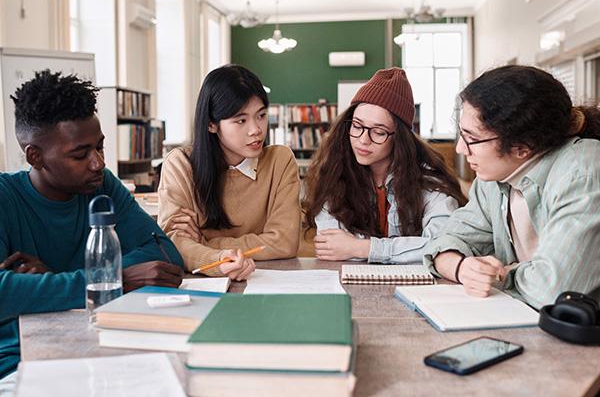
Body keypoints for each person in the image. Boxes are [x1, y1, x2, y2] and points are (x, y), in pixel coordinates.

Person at [0, 70, 184, 384]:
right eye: (80, 154)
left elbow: (165, 252)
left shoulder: (102, 186)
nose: (98, 162)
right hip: (21, 361)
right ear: (35, 156)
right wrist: (115, 280)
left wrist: (53, 282)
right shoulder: (5, 197)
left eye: (100, 147)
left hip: (103, 343)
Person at [424, 65, 600, 309]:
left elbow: (552, 290)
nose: (460, 149)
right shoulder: (493, 180)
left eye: (472, 139)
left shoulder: (583, 172)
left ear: (522, 147)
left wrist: (501, 274)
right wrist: (462, 268)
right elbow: (444, 241)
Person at [303, 67, 466, 264]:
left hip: (418, 290)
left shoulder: (429, 181)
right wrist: (407, 250)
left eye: (378, 132)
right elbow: (332, 247)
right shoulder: (333, 172)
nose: (363, 140)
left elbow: (442, 245)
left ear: (400, 138)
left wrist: (362, 248)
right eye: (357, 126)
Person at [158, 65, 300, 279]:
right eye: (241, 120)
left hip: (269, 279)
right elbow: (174, 242)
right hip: (204, 283)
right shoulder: (181, 165)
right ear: (211, 125)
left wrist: (206, 244)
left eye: (261, 115)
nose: (256, 130)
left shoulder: (279, 161)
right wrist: (219, 261)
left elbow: (285, 242)